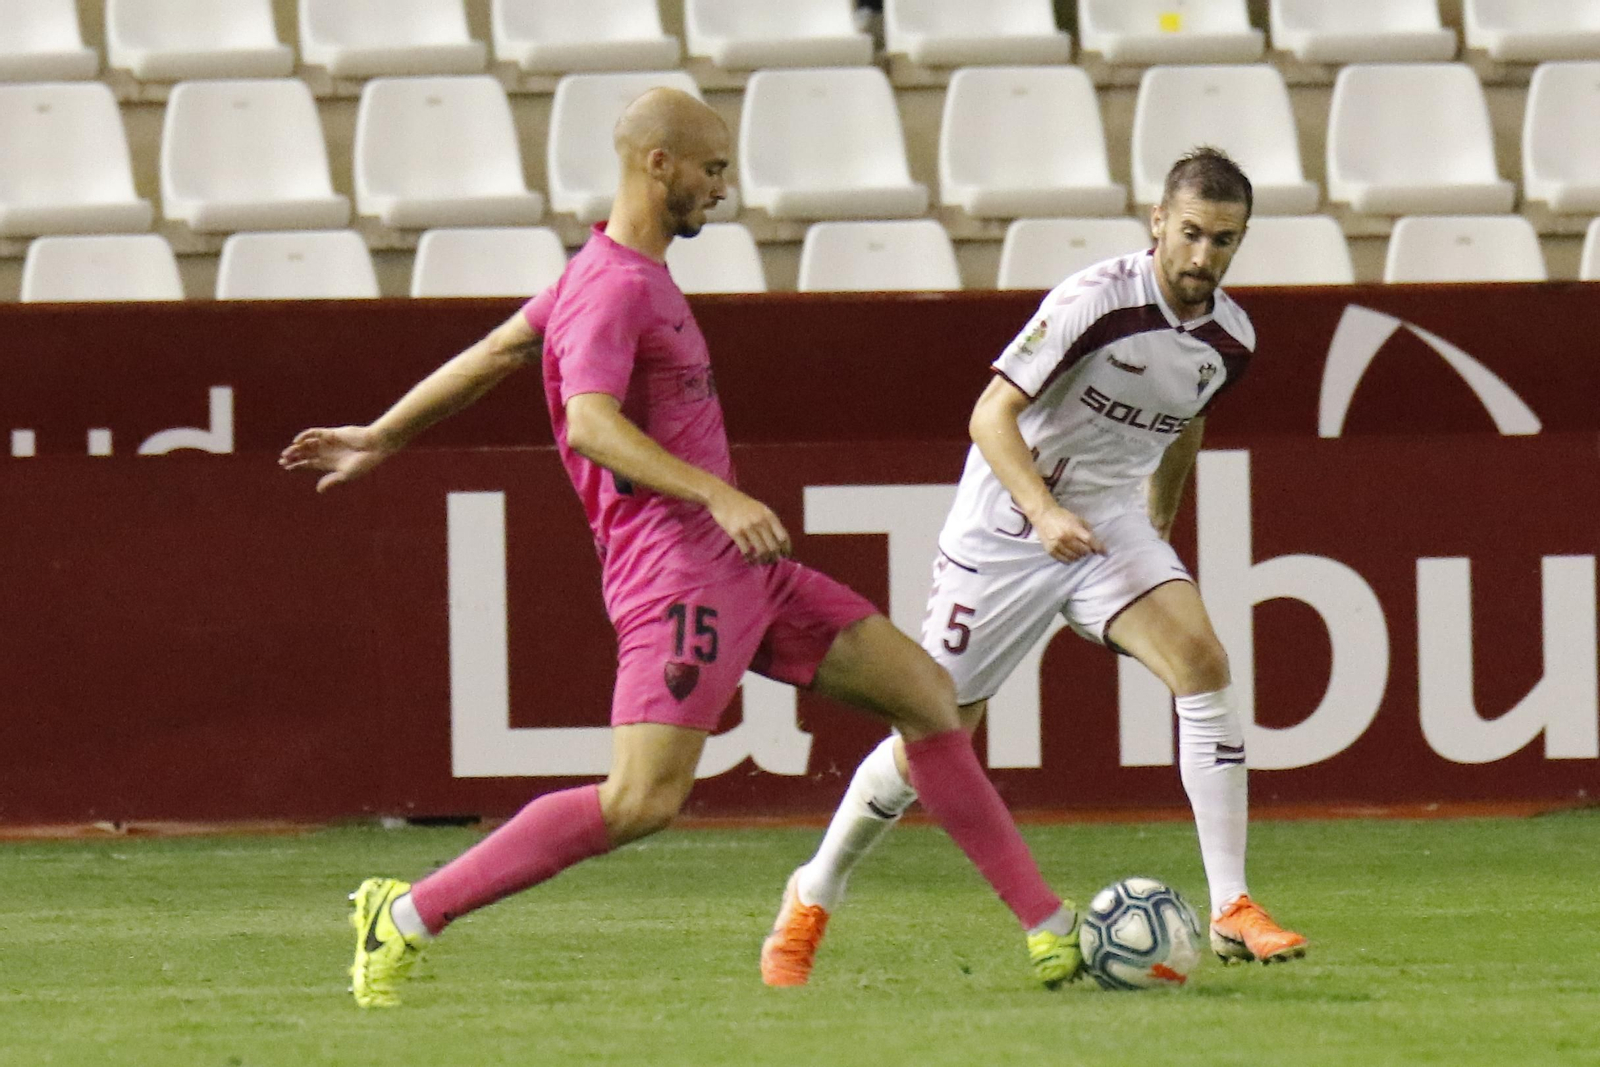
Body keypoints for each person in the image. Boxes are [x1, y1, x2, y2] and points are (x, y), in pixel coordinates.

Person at [281, 88, 1081, 1008]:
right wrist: (718, 492)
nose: (721, 191)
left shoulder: (607, 274)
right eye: (710, 171)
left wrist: (383, 433)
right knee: (639, 801)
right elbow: (588, 424)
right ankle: (408, 913)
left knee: (930, 703)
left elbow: (501, 350)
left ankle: (1048, 927)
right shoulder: (616, 288)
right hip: (677, 574)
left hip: (747, 571)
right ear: (658, 164)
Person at [760, 147, 1308, 986]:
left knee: (1204, 663)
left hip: (1106, 525)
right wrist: (1045, 512)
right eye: (1192, 233)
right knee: (932, 732)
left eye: (1224, 241)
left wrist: (1157, 515)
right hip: (1008, 529)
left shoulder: (1231, 338)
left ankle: (1233, 905)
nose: (1204, 256)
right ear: (1157, 221)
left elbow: (1188, 414)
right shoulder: (1095, 302)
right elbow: (990, 415)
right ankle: (814, 890)